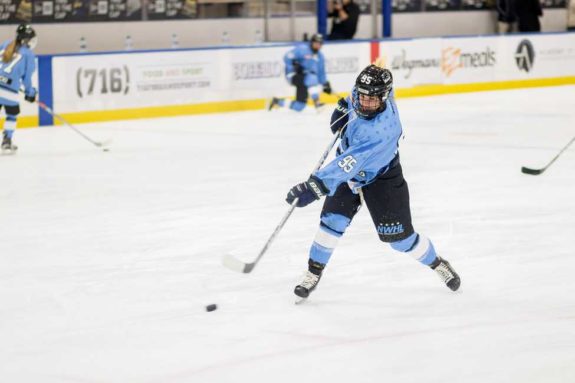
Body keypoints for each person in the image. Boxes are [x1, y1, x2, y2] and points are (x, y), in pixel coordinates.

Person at [285, 63, 461, 301]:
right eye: (362, 97)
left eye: (372, 100)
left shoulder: (380, 132)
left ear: (385, 97)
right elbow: (354, 99)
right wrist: (343, 107)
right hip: (352, 168)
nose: (365, 103)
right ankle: (313, 272)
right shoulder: (365, 91)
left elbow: (345, 166)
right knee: (331, 222)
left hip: (382, 177)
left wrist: (314, 187)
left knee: (400, 240)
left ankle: (437, 262)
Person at [268, 34, 332, 113]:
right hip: (294, 75)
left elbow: (321, 72)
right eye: (316, 43)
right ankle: (317, 102)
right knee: (312, 77)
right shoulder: (302, 50)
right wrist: (294, 65)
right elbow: (287, 57)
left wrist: (325, 84)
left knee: (299, 106)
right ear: (312, 42)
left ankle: (277, 101)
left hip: (305, 80)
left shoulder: (320, 56)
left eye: (320, 44)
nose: (318, 45)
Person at [0, 24, 37, 153]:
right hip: (9, 92)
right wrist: (30, 93)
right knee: (12, 115)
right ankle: (7, 140)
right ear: (27, 40)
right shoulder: (29, 55)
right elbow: (27, 80)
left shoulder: (5, 44)